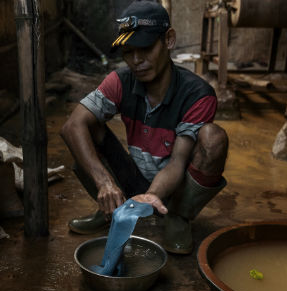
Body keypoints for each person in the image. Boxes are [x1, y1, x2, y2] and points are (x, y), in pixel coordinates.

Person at [60, 0, 228, 255]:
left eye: (146, 48)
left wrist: (152, 195)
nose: (136, 60)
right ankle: (110, 207)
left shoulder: (197, 94)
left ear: (168, 40)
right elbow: (72, 126)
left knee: (213, 138)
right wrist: (104, 182)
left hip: (175, 187)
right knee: (85, 129)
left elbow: (177, 164)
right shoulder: (119, 81)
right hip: (133, 178)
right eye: (128, 52)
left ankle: (178, 218)